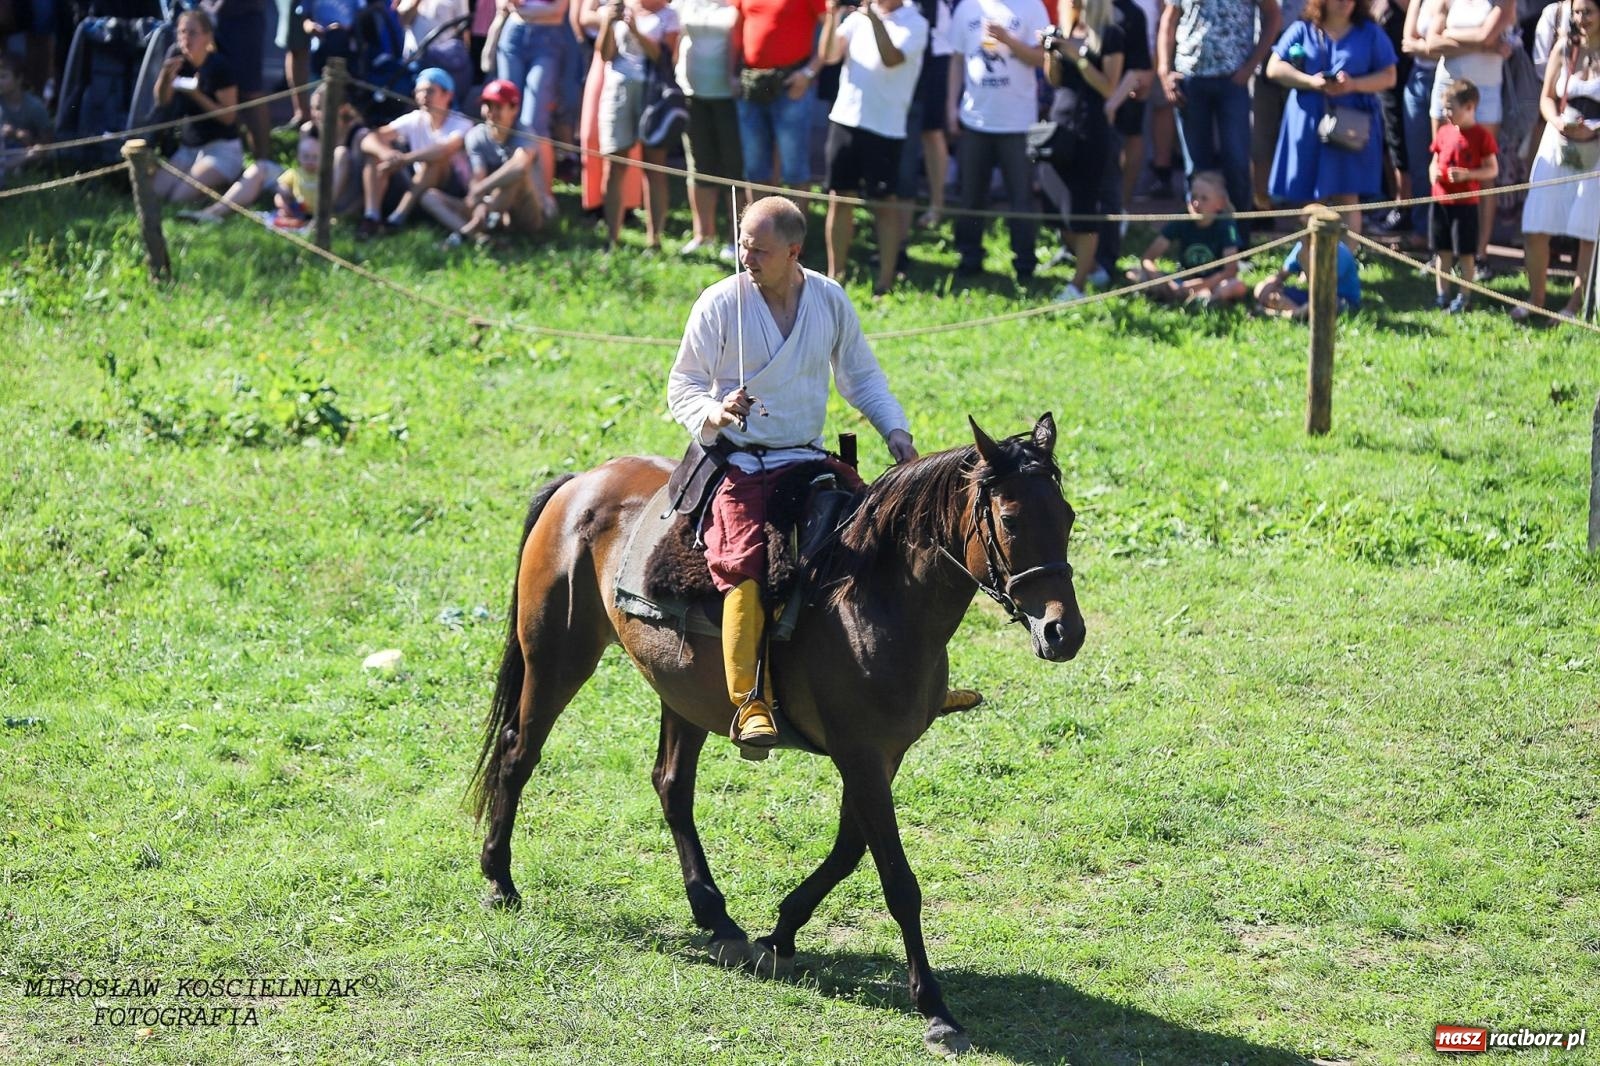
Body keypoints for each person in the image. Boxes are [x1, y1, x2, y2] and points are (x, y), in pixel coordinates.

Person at [666, 195, 916, 753]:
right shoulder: (718, 303)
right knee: (746, 564)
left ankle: (906, 682)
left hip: (806, 458)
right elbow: (681, 385)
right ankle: (750, 700)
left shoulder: (828, 299)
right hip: (739, 461)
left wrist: (895, 431)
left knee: (885, 544)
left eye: (758, 249)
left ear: (794, 251)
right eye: (741, 245)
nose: (744, 257)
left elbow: (862, 378)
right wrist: (714, 411)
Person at [1266, 0, 1399, 240]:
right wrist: (1310, 81)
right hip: (1308, 122)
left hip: (1351, 124)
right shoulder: (1303, 29)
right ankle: (1313, 268)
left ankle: (1344, 267)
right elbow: (1274, 68)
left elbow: (1389, 76)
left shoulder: (1369, 32)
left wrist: (1353, 85)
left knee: (1347, 196)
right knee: (1309, 197)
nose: (1345, 3)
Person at [820, 0, 928, 294]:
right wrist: (831, 15)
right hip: (845, 119)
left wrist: (873, 19)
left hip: (885, 127)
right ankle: (835, 276)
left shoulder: (915, 22)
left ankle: (885, 281)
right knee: (839, 199)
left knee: (885, 205)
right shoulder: (855, 19)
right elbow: (829, 56)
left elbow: (892, 58)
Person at [1156, 0, 1283, 243]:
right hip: (1190, 78)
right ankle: (1198, 245)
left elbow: (1272, 15)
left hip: (1232, 81)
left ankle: (1238, 243)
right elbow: (1169, 19)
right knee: (1196, 167)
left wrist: (1251, 65)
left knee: (1236, 163)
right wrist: (1164, 70)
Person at [944, 0, 1052, 281]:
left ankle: (1025, 264)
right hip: (975, 119)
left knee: (1021, 198)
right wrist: (950, 106)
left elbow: (1042, 58)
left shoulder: (1032, 7)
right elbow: (957, 60)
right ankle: (969, 257)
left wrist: (1008, 40)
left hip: (1017, 122)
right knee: (971, 197)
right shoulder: (966, 7)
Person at [1514, 0, 1600, 322]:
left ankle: (1574, 305)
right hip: (1558, 140)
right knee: (1536, 223)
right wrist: (1558, 122)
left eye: (1588, 11)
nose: (1581, 18)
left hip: (1596, 149)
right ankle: (1536, 298)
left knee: (1587, 228)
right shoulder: (1565, 47)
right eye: (1576, 12)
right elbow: (1546, 97)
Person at [1040, 0, 1125, 302]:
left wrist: (1081, 58)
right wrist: (1052, 53)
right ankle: (1090, 267)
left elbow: (1109, 88)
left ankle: (1078, 284)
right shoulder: (1065, 29)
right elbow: (1054, 80)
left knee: (1084, 207)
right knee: (1054, 204)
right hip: (1060, 124)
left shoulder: (1111, 33)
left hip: (1092, 128)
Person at [1426, 0, 1513, 261]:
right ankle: (1443, 252)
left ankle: (1479, 253)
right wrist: (1483, 43)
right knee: (1442, 165)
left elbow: (1488, 34)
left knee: (1482, 173)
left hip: (1484, 90)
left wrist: (1450, 38)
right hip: (1447, 87)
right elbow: (1431, 44)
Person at [421, 77, 549, 243]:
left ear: (514, 109)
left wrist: (481, 190)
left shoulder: (524, 131)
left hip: (527, 213)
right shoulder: (476, 135)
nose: (491, 112)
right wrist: (480, 201)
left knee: (515, 177)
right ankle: (477, 236)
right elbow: (477, 175)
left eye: (498, 106)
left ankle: (465, 233)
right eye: (487, 105)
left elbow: (520, 166)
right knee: (428, 197)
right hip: (489, 207)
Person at [595, 0, 679, 249]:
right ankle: (612, 238)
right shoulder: (619, 8)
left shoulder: (669, 14)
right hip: (617, 89)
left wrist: (635, 32)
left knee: (654, 167)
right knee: (614, 165)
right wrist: (608, 24)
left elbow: (663, 56)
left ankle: (654, 240)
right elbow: (605, 54)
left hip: (653, 93)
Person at [357, 67, 474, 235]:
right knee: (375, 155)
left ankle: (397, 218)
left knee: (435, 161)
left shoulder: (462, 123)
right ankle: (371, 217)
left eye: (429, 91)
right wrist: (387, 154)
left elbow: (444, 149)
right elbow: (369, 139)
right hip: (417, 181)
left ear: (448, 95)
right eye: (419, 91)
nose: (423, 96)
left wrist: (405, 159)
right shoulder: (415, 118)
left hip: (450, 187)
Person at [150, 10, 247, 205]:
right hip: (188, 149)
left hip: (221, 150)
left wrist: (196, 95)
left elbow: (228, 117)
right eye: (181, 32)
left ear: (208, 37)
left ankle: (224, 184)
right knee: (154, 193)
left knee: (179, 198)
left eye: (192, 33)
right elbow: (162, 101)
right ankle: (205, 185)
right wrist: (165, 77)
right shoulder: (176, 56)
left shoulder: (219, 66)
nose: (185, 38)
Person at [730, 0, 829, 189]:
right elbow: (736, 30)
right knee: (755, 169)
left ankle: (796, 219)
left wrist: (808, 73)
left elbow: (831, 29)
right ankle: (760, 219)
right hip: (751, 85)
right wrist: (731, 74)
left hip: (791, 86)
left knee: (795, 171)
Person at [674, 0, 742, 257]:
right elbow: (677, 35)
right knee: (699, 164)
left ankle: (736, 238)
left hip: (729, 96)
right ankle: (703, 234)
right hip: (691, 92)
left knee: (733, 167)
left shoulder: (737, 3)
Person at [494, 0, 573, 217]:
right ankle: (510, 191)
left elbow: (558, 9)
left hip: (547, 39)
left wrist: (525, 9)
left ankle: (543, 196)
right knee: (506, 115)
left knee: (534, 120)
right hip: (513, 34)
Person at [1125, 169, 1248, 303]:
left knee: (1236, 286)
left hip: (1213, 283)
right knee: (1135, 273)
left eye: (1204, 198)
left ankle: (1203, 299)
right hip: (1183, 280)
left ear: (1220, 203)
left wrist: (1198, 285)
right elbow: (1147, 258)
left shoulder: (1226, 225)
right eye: (1193, 196)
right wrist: (1158, 277)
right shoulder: (1182, 219)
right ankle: (1186, 297)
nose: (1196, 203)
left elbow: (1230, 270)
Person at [1428, 78, 1498, 309]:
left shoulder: (1481, 136)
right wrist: (1434, 173)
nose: (1446, 113)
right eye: (1445, 108)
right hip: (1440, 201)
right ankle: (1441, 293)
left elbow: (1492, 169)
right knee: (1442, 251)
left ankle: (1464, 296)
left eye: (1451, 108)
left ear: (1470, 107)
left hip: (1465, 205)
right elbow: (1434, 160)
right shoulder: (1444, 132)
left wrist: (1468, 175)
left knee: (1466, 253)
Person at [1254, 225, 1364, 314]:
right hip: (1310, 297)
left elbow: (1322, 289)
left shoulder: (1339, 252)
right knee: (1261, 288)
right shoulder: (1301, 247)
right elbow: (1281, 276)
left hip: (1338, 299)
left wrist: (1306, 263)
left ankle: (1288, 313)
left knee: (1323, 306)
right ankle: (1296, 313)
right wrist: (1267, 288)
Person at [0, 52, 51, 188]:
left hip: (22, 153)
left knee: (33, 153)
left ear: (19, 79)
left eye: (3, 76)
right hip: (3, 149)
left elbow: (45, 145)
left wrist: (18, 135)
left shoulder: (34, 107)